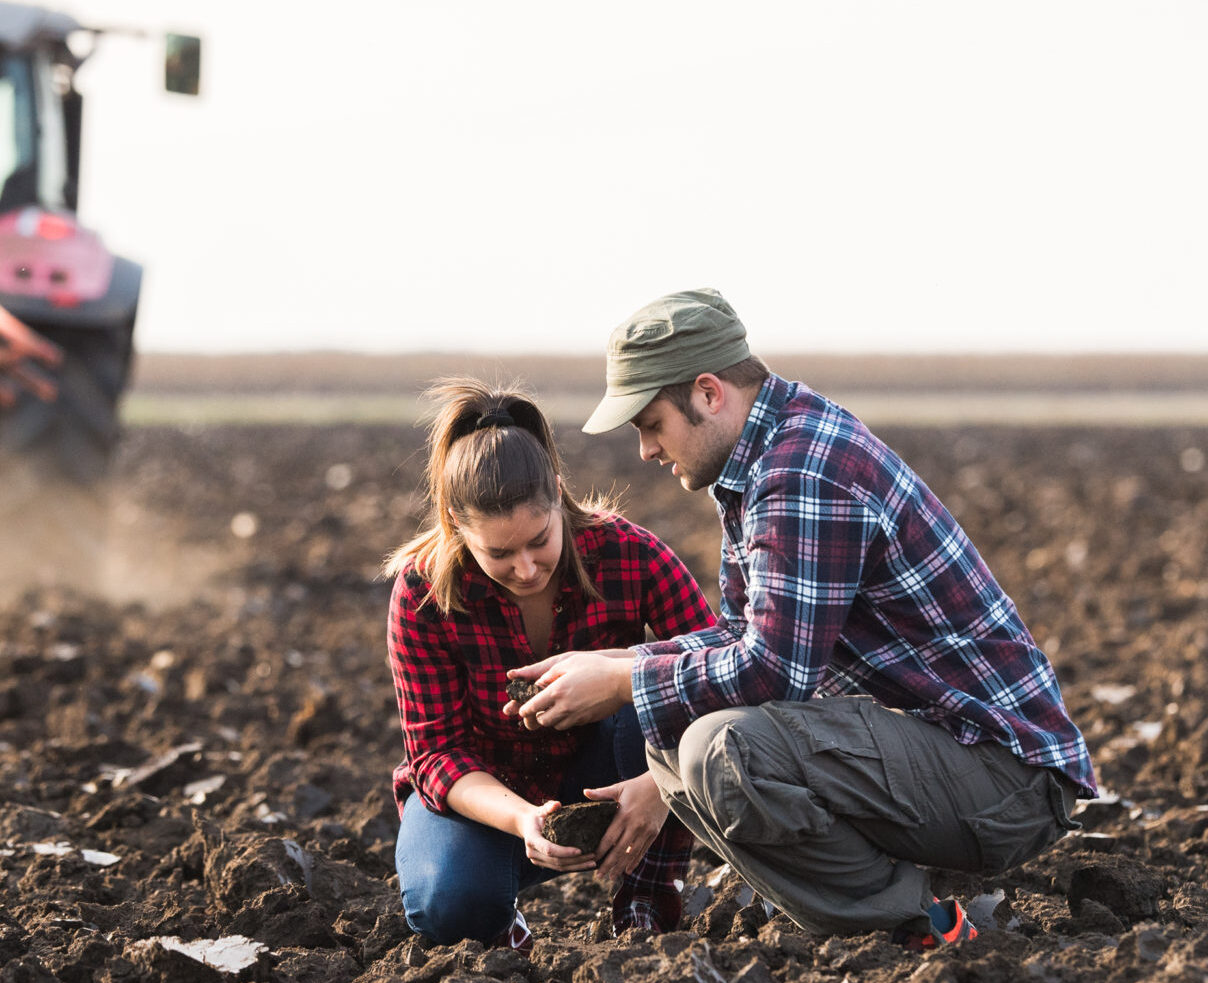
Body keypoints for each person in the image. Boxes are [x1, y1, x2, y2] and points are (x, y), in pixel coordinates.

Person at [512, 288, 1093, 944]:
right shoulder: (759, 461)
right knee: (678, 733)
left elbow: (772, 672)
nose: (645, 450)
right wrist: (619, 662)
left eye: (651, 424)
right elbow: (743, 634)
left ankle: (924, 923)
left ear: (708, 393)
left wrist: (622, 683)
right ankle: (892, 902)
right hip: (949, 759)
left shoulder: (803, 472)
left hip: (1004, 777)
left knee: (719, 748)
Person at [385, 378, 717, 947]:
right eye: (499, 553)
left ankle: (645, 901)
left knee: (659, 688)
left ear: (559, 496)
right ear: (455, 525)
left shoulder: (629, 554)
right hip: (488, 792)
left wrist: (661, 786)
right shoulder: (422, 593)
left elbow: (720, 666)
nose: (527, 568)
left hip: (609, 770)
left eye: (539, 539)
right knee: (448, 904)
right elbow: (435, 753)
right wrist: (522, 820)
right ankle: (499, 921)